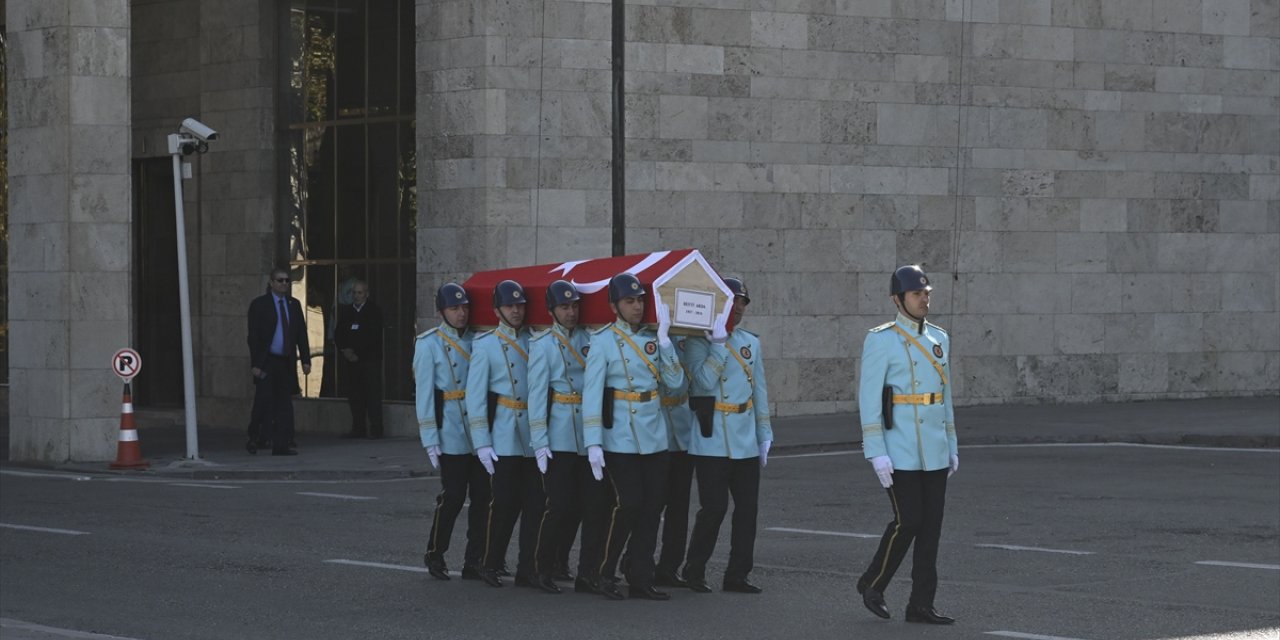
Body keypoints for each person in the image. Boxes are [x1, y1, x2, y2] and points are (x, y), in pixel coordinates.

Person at [855, 264, 958, 625]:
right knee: (909, 520)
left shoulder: (939, 339)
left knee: (931, 529)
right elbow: (869, 398)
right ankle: (873, 583)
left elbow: (944, 398)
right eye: (917, 294)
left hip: (932, 448)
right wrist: (875, 450)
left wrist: (951, 444)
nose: (924, 298)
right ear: (897, 300)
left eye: (927, 292)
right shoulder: (881, 339)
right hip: (898, 447)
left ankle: (920, 604)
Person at [580, 272, 683, 601]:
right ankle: (603, 572)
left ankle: (640, 576)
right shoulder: (603, 341)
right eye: (629, 301)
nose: (637, 307)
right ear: (614, 306)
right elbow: (592, 393)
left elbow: (676, 385)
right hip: (620, 435)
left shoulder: (654, 339)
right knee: (629, 504)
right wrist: (593, 441)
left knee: (652, 507)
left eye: (640, 300)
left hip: (653, 434)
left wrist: (666, 343)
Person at [682, 277, 772, 594]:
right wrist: (718, 346)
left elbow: (758, 391)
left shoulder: (751, 342)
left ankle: (738, 574)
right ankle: (694, 569)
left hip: (745, 437)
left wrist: (764, 433)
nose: (737, 308)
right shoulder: (697, 342)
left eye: (742, 302)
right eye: (732, 301)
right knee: (714, 508)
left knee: (747, 512)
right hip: (712, 439)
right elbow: (702, 384)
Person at [466, 280, 550, 591]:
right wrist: (482, 442)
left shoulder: (537, 341)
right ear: (497, 309)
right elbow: (475, 397)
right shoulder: (486, 345)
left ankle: (528, 567)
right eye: (509, 306)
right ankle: (490, 562)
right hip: (503, 431)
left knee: (535, 504)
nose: (516, 311)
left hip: (533, 432)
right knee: (502, 504)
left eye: (520, 305)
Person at [418, 283, 490, 582]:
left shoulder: (480, 340)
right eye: (454, 309)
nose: (461, 314)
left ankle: (475, 560)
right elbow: (424, 394)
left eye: (464, 308)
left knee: (484, 497)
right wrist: (430, 437)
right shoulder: (429, 344)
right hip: (450, 428)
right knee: (454, 496)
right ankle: (435, 553)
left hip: (480, 429)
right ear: (441, 311)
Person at [527, 280, 590, 591]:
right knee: (558, 505)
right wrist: (539, 441)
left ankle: (561, 560)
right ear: (552, 310)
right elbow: (537, 396)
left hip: (584, 434)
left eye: (575, 306)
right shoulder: (542, 345)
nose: (571, 312)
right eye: (565, 307)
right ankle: (542, 567)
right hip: (559, 434)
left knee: (578, 505)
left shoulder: (589, 339)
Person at [245, 267, 312, 456]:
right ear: (271, 283)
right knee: (263, 401)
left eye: (287, 281)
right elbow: (254, 337)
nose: (284, 284)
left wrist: (306, 360)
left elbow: (301, 334)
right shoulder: (260, 305)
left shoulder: (294, 304)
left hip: (285, 361)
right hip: (267, 361)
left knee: (284, 403)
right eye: (280, 280)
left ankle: (281, 443)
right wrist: (255, 364)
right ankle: (254, 436)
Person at [334, 279, 385, 439]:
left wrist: (358, 354)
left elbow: (374, 336)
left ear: (366, 294)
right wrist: (345, 350)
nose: (356, 296)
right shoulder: (347, 312)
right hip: (351, 361)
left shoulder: (374, 311)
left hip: (369, 360)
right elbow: (339, 333)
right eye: (354, 293)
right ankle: (358, 428)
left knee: (372, 395)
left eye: (360, 293)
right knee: (355, 395)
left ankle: (376, 429)